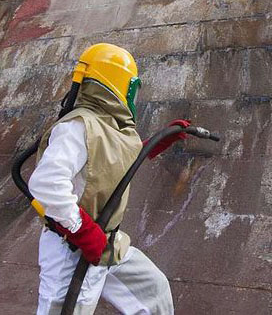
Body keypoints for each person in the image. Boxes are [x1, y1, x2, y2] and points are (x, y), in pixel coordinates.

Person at [29, 43, 186, 315]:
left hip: (106, 244)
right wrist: (83, 231)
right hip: (72, 249)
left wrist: (157, 142)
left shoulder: (109, 127)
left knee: (153, 290)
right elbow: (46, 183)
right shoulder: (77, 126)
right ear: (117, 83)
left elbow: (110, 161)